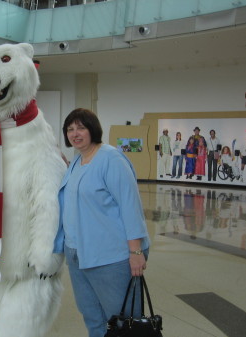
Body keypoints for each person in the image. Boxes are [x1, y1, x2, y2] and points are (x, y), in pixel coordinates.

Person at [53, 108, 150, 337]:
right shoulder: (77, 162)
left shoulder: (111, 159)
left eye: (81, 128)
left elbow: (130, 206)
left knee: (123, 320)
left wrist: (136, 252)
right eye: (70, 129)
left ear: (93, 129)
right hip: (78, 254)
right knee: (92, 316)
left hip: (110, 257)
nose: (75, 134)